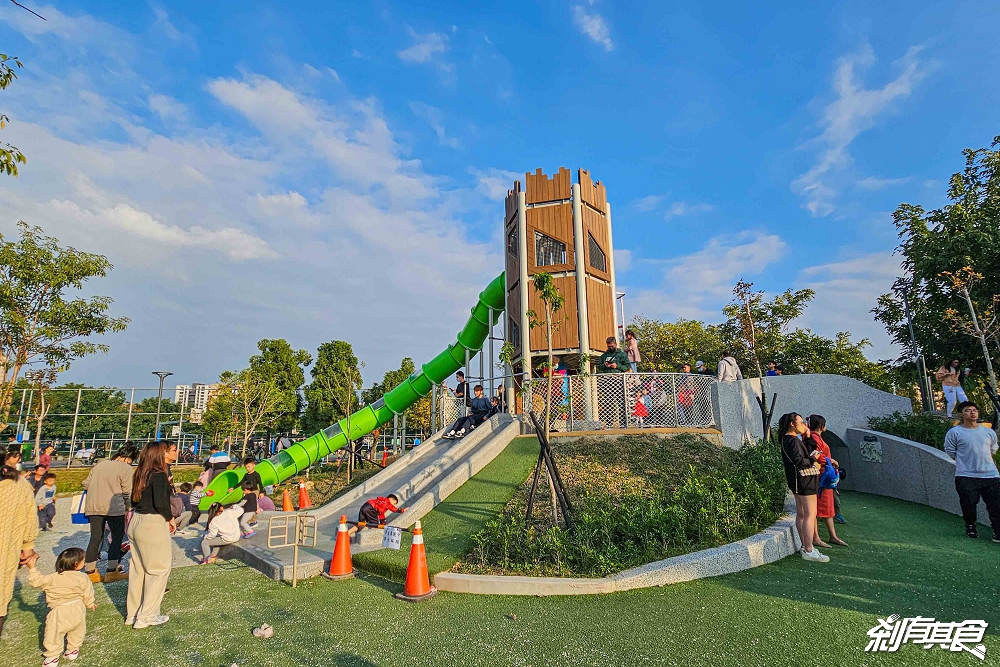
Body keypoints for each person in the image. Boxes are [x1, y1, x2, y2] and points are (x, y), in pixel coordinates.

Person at [126, 441, 176, 629]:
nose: (174, 452)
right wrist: (170, 518)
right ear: (159, 455)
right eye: (168, 451)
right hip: (152, 523)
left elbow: (134, 499)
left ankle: (133, 613)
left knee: (138, 570)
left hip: (137, 520)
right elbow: (161, 503)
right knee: (159, 569)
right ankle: (147, 615)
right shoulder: (159, 475)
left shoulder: (140, 473)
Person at [24, 547, 96, 666]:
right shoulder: (82, 577)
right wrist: (90, 603)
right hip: (78, 609)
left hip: (59, 611)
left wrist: (32, 568)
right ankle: (73, 650)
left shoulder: (53, 577)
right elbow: (88, 593)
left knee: (54, 634)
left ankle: (52, 657)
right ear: (75, 564)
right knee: (78, 631)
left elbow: (35, 581)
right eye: (83, 561)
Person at [943, 401, 1000, 541]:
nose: (972, 412)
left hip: (991, 476)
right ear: (962, 414)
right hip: (966, 476)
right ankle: (970, 526)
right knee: (968, 504)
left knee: (996, 506)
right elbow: (950, 451)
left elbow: (993, 449)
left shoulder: (988, 432)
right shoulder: (954, 432)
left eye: (975, 410)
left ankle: (997, 531)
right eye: (968, 410)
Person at [81, 441, 137, 584]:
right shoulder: (126, 469)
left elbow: (86, 483)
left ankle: (90, 572)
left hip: (93, 505)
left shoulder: (100, 464)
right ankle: (112, 571)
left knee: (95, 538)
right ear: (128, 458)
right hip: (114, 508)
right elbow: (128, 491)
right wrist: (128, 506)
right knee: (117, 537)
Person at [779, 412, 828, 562]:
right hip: (804, 481)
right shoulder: (791, 440)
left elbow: (801, 455)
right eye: (801, 423)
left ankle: (805, 546)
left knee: (802, 514)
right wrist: (814, 457)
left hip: (799, 481)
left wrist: (807, 438)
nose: (804, 425)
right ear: (792, 424)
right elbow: (799, 461)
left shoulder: (789, 440)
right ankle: (808, 548)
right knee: (809, 514)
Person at [0, 457, 39, 639]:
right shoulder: (20, 484)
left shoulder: (19, 484)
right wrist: (28, 546)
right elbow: (30, 518)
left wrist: (28, 545)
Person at [806, 415, 848, 548]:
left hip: (826, 474)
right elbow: (815, 454)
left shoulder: (816, 437)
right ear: (821, 426)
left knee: (828, 505)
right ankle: (816, 537)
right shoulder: (813, 438)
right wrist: (831, 461)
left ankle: (833, 536)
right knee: (818, 507)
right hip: (821, 475)